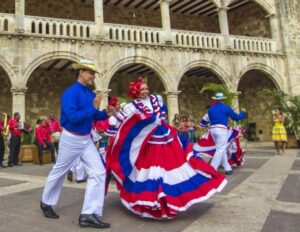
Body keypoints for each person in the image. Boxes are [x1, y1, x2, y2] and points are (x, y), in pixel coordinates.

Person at [106, 77, 227, 219]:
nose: (145, 91)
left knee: (173, 165)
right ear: (136, 92)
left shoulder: (156, 99)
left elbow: (161, 115)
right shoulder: (132, 106)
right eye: (142, 89)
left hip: (165, 137)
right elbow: (116, 121)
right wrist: (114, 113)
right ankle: (154, 200)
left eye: (146, 88)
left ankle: (169, 198)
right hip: (149, 142)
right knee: (151, 170)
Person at [40, 59, 112, 229]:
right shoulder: (71, 93)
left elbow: (93, 117)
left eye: (93, 73)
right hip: (71, 138)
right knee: (60, 170)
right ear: (80, 72)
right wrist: (93, 108)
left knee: (99, 171)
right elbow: (72, 117)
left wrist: (105, 113)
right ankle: (46, 202)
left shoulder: (88, 93)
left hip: (86, 138)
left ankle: (88, 214)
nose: (92, 76)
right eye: (90, 72)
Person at [208, 92, 246, 175]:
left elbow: (210, 119)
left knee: (222, 149)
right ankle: (212, 169)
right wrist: (243, 113)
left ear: (216, 99)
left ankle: (227, 168)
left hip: (212, 129)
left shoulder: (211, 109)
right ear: (223, 99)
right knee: (220, 149)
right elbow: (236, 117)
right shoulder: (226, 108)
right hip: (221, 129)